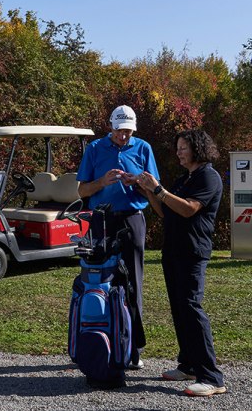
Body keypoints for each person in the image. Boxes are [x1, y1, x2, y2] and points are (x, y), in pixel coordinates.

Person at [137, 130, 226, 397]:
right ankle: (188, 365)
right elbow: (166, 210)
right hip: (173, 251)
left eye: (183, 147)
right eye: (177, 147)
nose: (178, 152)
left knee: (191, 307)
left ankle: (211, 377)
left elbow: (188, 208)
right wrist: (147, 191)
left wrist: (157, 188)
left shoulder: (208, 176)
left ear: (198, 148)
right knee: (179, 308)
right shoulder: (185, 178)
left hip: (192, 252)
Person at [76, 104, 159, 369]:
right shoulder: (95, 149)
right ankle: (102, 341)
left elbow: (155, 189)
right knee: (99, 279)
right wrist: (101, 182)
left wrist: (137, 182)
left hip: (132, 218)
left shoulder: (143, 148)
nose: (124, 136)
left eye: (128, 132)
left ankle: (133, 348)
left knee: (133, 280)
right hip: (101, 219)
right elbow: (81, 191)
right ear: (110, 126)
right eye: (120, 131)